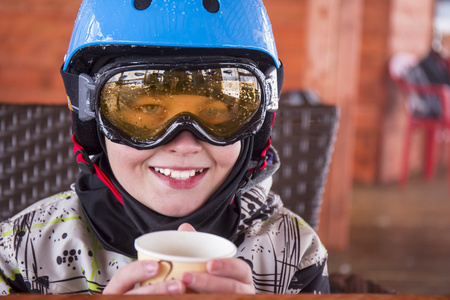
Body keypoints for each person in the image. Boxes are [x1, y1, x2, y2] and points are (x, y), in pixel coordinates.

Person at [0, 0, 329, 295]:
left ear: (256, 127)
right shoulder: (21, 255)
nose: (184, 144)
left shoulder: (291, 254)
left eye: (216, 112)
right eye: (144, 111)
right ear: (91, 122)